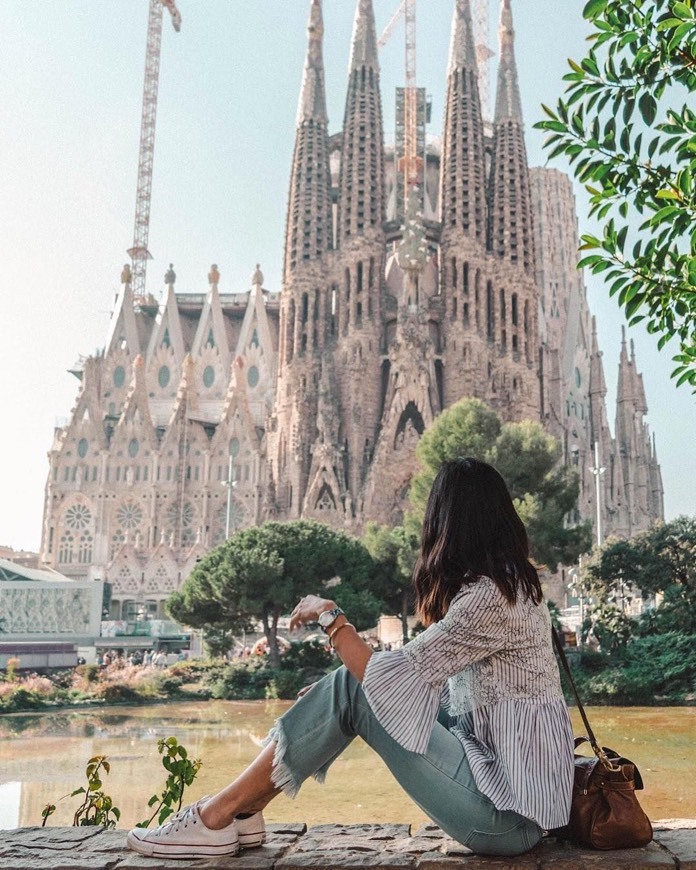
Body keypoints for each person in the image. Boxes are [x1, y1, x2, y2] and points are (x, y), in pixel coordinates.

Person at [127, 457, 575, 860]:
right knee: (351, 687)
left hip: (508, 820)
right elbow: (450, 697)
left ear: (448, 524)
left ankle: (216, 815)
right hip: (517, 804)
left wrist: (330, 615)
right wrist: (343, 691)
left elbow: (390, 680)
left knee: (354, 688)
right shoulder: (512, 588)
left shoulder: (490, 599)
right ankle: (245, 811)